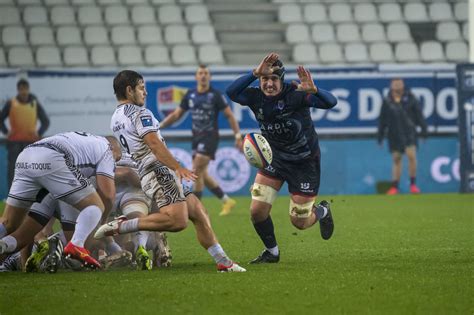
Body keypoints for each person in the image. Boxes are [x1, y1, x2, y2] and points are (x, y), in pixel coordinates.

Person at [95, 70, 245, 272]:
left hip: (150, 172)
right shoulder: (139, 113)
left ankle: (224, 262)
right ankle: (123, 226)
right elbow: (155, 145)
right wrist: (177, 167)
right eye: (141, 88)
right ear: (129, 90)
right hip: (158, 170)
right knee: (178, 221)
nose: (145, 93)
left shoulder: (116, 117)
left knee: (198, 211)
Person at [226, 53, 336, 264]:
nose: (268, 84)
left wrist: (315, 91)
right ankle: (272, 252)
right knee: (257, 211)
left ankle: (322, 211)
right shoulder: (255, 97)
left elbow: (331, 102)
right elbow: (231, 92)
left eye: (274, 79)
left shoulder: (295, 94)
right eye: (265, 79)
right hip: (275, 161)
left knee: (299, 222)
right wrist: (254, 73)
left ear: (282, 80)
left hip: (304, 163)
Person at [0, 132, 122, 269]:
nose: (115, 164)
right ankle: (76, 245)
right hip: (52, 159)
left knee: (10, 224)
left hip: (27, 155)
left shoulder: (85, 142)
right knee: (95, 205)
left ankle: (4, 246)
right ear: (113, 148)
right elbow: (109, 195)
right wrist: (103, 223)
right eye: (117, 159)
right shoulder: (106, 149)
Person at [160, 65, 242, 216]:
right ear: (196, 77)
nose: (203, 76)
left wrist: (237, 136)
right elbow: (177, 114)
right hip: (196, 138)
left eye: (206, 73)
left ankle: (197, 209)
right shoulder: (190, 95)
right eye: (200, 73)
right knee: (202, 173)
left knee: (196, 170)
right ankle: (226, 200)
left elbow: (230, 115)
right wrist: (161, 125)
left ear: (209, 77)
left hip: (210, 136)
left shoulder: (215, 95)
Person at [377, 78, 427, 195]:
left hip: (409, 132)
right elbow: (382, 120)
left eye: (399, 83)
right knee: (396, 159)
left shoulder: (411, 98)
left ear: (403, 85)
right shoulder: (387, 100)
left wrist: (424, 130)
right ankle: (395, 186)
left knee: (411, 156)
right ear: (391, 86)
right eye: (395, 84)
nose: (397, 86)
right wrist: (380, 136)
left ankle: (413, 185)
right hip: (394, 134)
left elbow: (419, 115)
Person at [0, 79, 50, 188]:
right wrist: (6, 132)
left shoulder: (35, 103)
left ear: (28, 89)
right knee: (13, 171)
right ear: (18, 90)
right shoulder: (11, 103)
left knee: (32, 170)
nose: (23, 92)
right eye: (21, 89)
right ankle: (12, 198)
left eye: (25, 89)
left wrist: (39, 133)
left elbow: (46, 121)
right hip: (14, 143)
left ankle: (31, 197)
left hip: (30, 143)